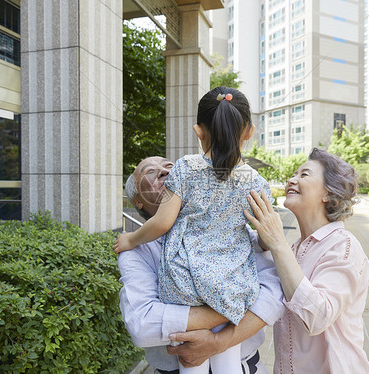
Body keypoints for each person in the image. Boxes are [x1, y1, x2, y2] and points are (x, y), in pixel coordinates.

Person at [114, 87, 273, 373]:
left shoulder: (186, 168)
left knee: (191, 360)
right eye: (150, 173)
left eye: (164, 168)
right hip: (233, 284)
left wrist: (130, 238)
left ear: (199, 131)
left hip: (183, 283)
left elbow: (162, 223)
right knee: (228, 359)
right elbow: (266, 236)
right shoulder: (256, 182)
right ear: (248, 132)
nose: (164, 172)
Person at [119, 156, 285, 374]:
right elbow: (143, 324)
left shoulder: (231, 229)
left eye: (170, 166)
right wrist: (233, 304)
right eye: (150, 171)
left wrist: (220, 341)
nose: (164, 171)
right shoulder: (137, 250)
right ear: (138, 200)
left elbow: (274, 292)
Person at [245, 148, 369, 374]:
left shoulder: (343, 246)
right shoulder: (294, 249)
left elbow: (318, 316)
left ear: (328, 192)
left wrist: (277, 243)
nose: (291, 180)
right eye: (294, 174)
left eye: (304, 175)